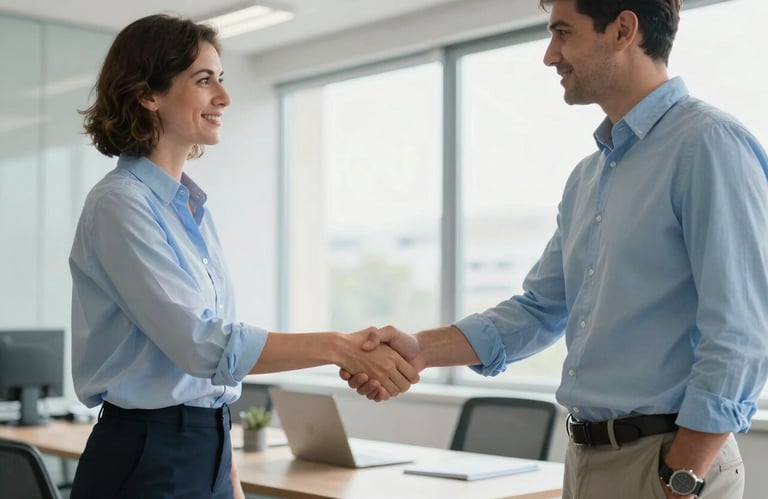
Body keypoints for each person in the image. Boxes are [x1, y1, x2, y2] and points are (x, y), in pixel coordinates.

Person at [342, 1, 768, 498]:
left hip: (668, 465)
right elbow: (539, 310)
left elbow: (741, 331)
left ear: (623, 30)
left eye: (562, 33)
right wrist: (422, 350)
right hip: (586, 458)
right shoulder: (588, 177)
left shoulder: (709, 144)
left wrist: (683, 475)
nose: (550, 55)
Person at [68, 14, 418, 499]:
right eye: (204, 80)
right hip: (147, 455)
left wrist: (226, 469)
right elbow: (202, 346)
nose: (224, 98)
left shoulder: (191, 209)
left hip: (205, 446)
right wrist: (338, 347)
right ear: (148, 94)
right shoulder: (119, 205)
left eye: (221, 79)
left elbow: (207, 370)